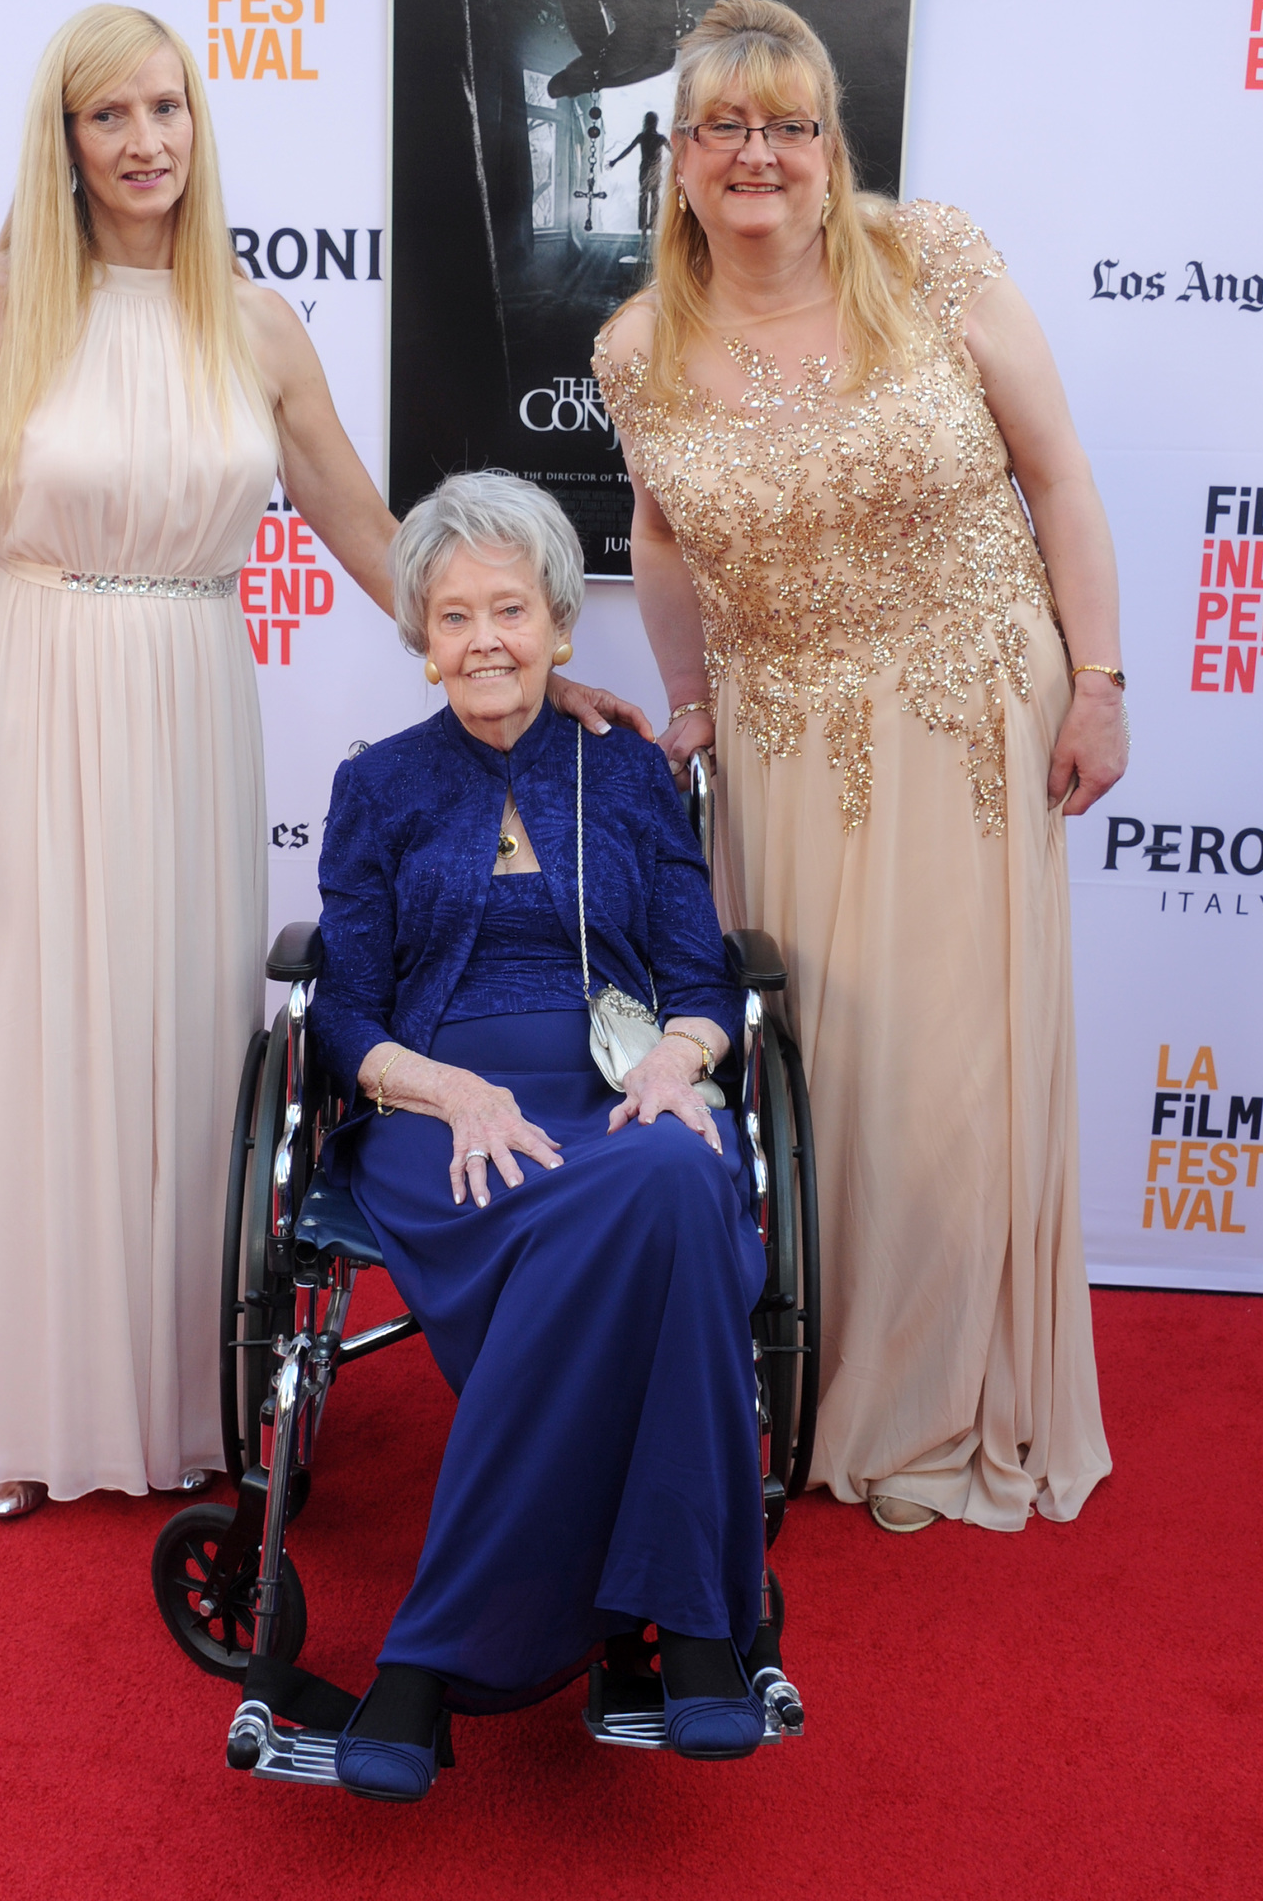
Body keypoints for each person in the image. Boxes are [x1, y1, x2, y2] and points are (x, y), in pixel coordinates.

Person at [0, 5, 644, 1521]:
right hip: (40, 694)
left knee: (181, 1040)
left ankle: (191, 1391)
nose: (147, 141)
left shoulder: (254, 322)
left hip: (187, 694)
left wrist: (513, 658)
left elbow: (374, 538)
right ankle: (41, 1406)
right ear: (66, 139)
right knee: (49, 1040)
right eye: (111, 116)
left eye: (168, 108)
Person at [594, 0, 1123, 1536]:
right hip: (781, 739)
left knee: (951, 1077)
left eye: (790, 125)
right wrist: (684, 702)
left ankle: (944, 1392)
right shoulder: (638, 346)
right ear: (676, 161)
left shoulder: (929, 258)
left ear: (831, 148)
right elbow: (661, 534)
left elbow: (1058, 475)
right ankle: (816, 1373)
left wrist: (1096, 679)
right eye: (723, 129)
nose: (758, 154)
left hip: (970, 711)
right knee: (823, 1074)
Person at [306, 471, 769, 1800]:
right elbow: (341, 1013)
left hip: (620, 1093)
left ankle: (429, 1660)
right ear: (421, 638)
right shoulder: (379, 788)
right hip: (441, 1122)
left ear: (563, 624)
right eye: (454, 616)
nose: (486, 639)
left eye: (511, 609)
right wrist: (451, 1092)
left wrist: (683, 1064)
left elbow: (696, 972)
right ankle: (692, 1632)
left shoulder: (625, 772)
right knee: (670, 1201)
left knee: (673, 1164)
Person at [609, 110, 668, 238]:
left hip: (646, 171)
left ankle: (644, 230)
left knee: (645, 197)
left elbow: (627, 150)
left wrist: (615, 161)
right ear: (655, 123)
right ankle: (651, 228)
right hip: (653, 171)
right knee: (653, 197)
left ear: (645, 122)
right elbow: (675, 152)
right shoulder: (659, 138)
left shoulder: (643, 137)